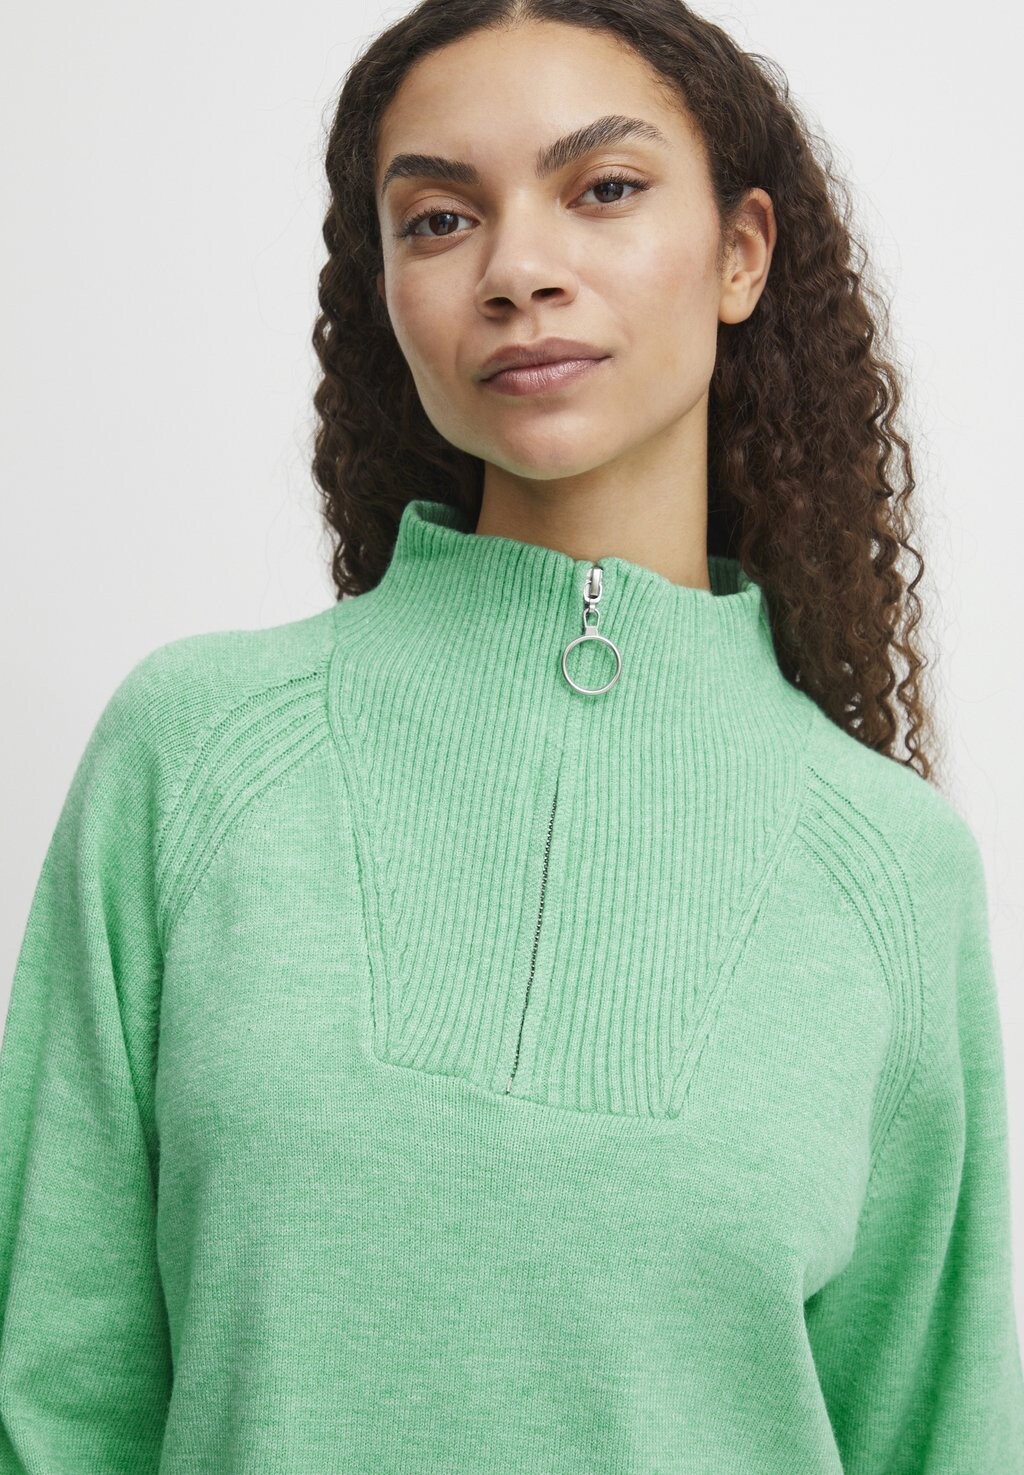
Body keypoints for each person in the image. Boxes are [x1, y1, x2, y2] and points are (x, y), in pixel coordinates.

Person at [1, 0, 1021, 1470]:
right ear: (387, 291)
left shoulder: (891, 867)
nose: (517, 271)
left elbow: (943, 1436)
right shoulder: (192, 756)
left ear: (741, 254)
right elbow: (53, 1398)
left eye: (603, 188)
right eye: (438, 219)